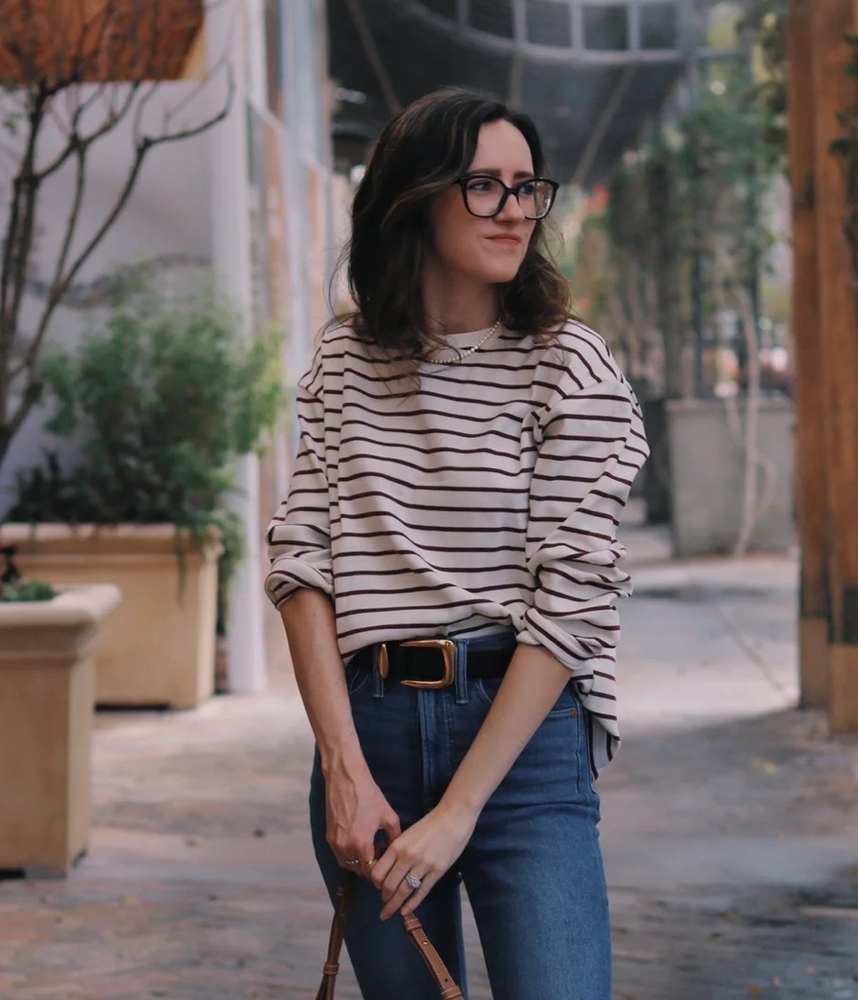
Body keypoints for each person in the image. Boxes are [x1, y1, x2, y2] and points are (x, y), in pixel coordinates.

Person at [265, 87, 648, 1000]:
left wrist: (463, 809)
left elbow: (574, 602)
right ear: (415, 195)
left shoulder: (572, 367)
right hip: (374, 738)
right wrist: (343, 769)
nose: (516, 209)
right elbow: (301, 559)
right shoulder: (345, 361)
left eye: (527, 187)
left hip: (523, 752)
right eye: (484, 185)